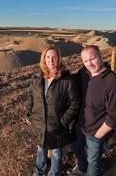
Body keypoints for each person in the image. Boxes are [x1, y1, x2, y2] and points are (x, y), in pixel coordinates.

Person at [67, 45, 116, 176]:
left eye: (92, 58)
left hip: (96, 130)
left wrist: (99, 134)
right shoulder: (84, 73)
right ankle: (82, 168)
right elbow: (72, 80)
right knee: (74, 146)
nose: (89, 64)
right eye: (85, 61)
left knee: (93, 161)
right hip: (81, 124)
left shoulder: (112, 83)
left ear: (101, 56)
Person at [27, 45, 80, 176]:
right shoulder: (37, 78)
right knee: (41, 149)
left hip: (57, 126)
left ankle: (54, 173)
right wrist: (29, 112)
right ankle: (39, 172)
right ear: (43, 59)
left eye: (54, 57)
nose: (51, 60)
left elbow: (75, 103)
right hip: (39, 124)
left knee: (56, 152)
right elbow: (30, 96)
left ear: (59, 59)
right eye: (48, 57)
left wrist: (63, 121)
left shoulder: (67, 79)